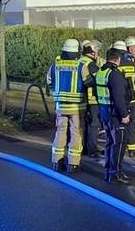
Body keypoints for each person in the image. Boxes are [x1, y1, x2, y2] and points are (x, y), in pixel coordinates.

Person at [47, 39, 91, 173]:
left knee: (60, 132)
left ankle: (57, 162)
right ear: (77, 52)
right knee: (75, 133)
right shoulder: (81, 66)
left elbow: (49, 82)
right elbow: (88, 83)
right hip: (76, 107)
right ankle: (73, 164)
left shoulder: (55, 66)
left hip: (60, 106)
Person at [96, 48, 132, 184]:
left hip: (104, 111)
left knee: (110, 142)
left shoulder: (102, 71)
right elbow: (118, 97)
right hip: (115, 114)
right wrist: (124, 115)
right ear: (118, 59)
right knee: (119, 144)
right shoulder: (115, 74)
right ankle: (116, 173)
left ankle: (109, 171)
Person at [112, 40, 135, 157]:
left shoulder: (114, 65)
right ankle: (133, 149)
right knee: (131, 124)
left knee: (119, 125)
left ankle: (120, 148)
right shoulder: (132, 64)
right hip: (131, 99)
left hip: (118, 99)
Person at [79, 40, 102, 158]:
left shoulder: (79, 61)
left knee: (83, 124)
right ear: (93, 52)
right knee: (94, 124)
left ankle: (82, 147)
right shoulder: (90, 63)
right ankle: (92, 149)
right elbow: (99, 78)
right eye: (97, 51)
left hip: (81, 99)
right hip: (92, 99)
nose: (98, 53)